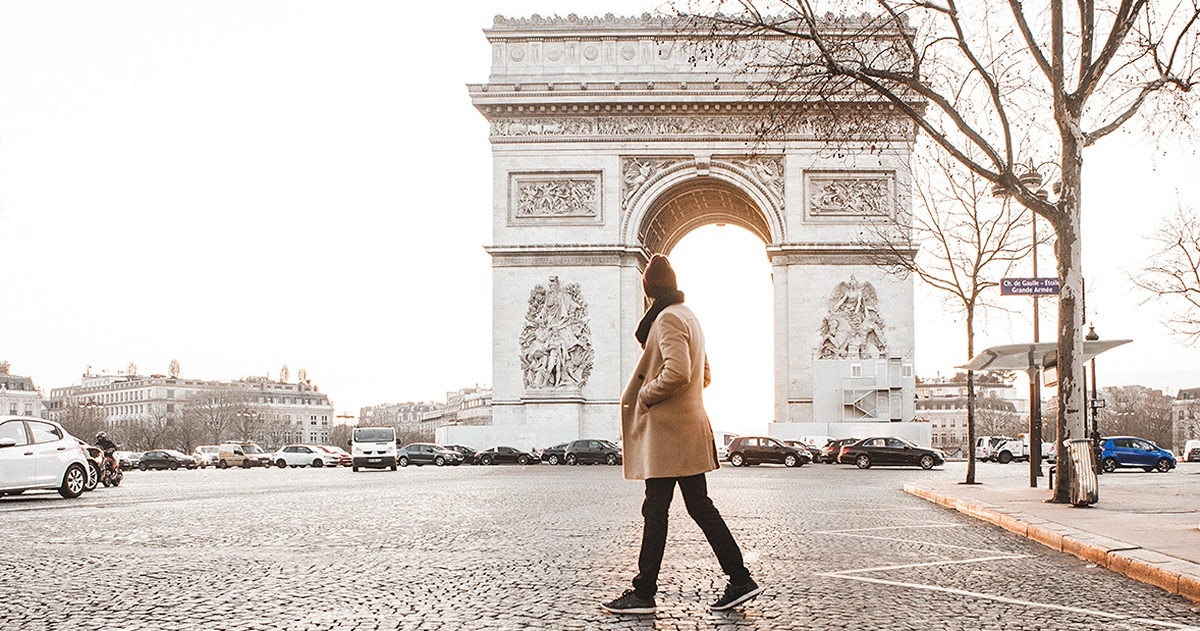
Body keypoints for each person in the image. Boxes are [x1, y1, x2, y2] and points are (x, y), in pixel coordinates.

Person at [601, 254, 762, 615]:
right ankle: (739, 578)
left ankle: (644, 593)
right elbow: (704, 375)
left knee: (656, 510)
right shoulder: (690, 316)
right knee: (698, 507)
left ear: (648, 291)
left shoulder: (667, 318)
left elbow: (679, 372)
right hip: (687, 428)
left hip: (668, 433)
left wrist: (646, 395)